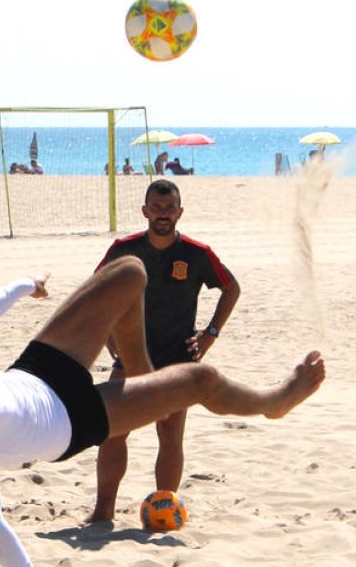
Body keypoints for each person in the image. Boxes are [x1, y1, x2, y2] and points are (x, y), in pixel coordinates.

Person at [0, 257, 325, 566]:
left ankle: (140, 377)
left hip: (34, 374)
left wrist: (27, 286)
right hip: (67, 420)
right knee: (197, 380)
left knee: (129, 272)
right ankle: (274, 403)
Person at [86, 179, 241, 524]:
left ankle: (164, 512)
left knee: (169, 437)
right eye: (155, 208)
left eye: (169, 208)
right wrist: (107, 332)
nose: (162, 215)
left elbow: (231, 287)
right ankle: (102, 513)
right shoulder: (124, 249)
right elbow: (95, 290)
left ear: (179, 212)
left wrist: (211, 333)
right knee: (112, 433)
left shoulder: (197, 254)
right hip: (129, 357)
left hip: (176, 361)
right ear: (145, 211)